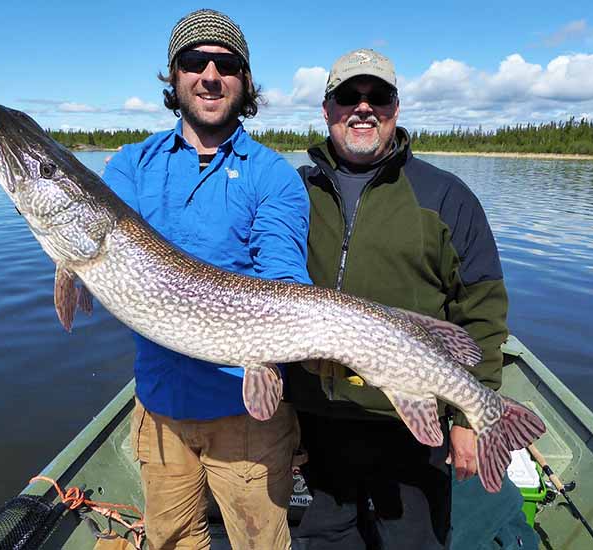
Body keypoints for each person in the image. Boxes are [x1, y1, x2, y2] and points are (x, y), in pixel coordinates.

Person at [288, 49, 534, 549]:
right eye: (348, 96)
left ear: (395, 108)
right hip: (315, 422)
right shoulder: (294, 192)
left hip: (408, 425)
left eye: (377, 96)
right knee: (324, 540)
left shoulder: (445, 196)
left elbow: (483, 312)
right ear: (327, 108)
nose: (363, 107)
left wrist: (469, 415)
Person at [102, 9, 311, 549]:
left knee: (261, 543)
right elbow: (96, 248)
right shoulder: (130, 166)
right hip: (159, 406)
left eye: (227, 64)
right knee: (171, 541)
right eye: (195, 61)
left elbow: (283, 275)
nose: (210, 76)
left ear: (245, 81)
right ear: (175, 76)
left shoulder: (272, 175)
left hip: (246, 411)